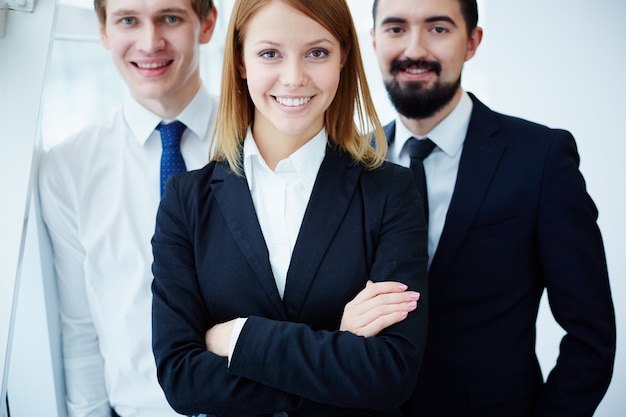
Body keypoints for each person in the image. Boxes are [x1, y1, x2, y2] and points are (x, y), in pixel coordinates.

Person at [150, 0, 429, 416]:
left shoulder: (390, 191)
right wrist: (337, 340)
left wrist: (239, 338)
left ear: (343, 58)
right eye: (270, 54)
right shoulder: (186, 200)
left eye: (317, 53)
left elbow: (390, 373)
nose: (294, 77)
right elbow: (182, 380)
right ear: (241, 61)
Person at [361, 0, 617, 416]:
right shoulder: (347, 164)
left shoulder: (541, 159)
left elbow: (591, 337)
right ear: (374, 42)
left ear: (472, 42)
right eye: (395, 29)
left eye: (438, 29)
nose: (414, 49)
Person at [38, 0, 219, 415]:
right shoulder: (68, 169)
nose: (149, 41)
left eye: (170, 18)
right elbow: (80, 326)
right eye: (127, 21)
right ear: (103, 31)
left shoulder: (259, 139)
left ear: (206, 24)